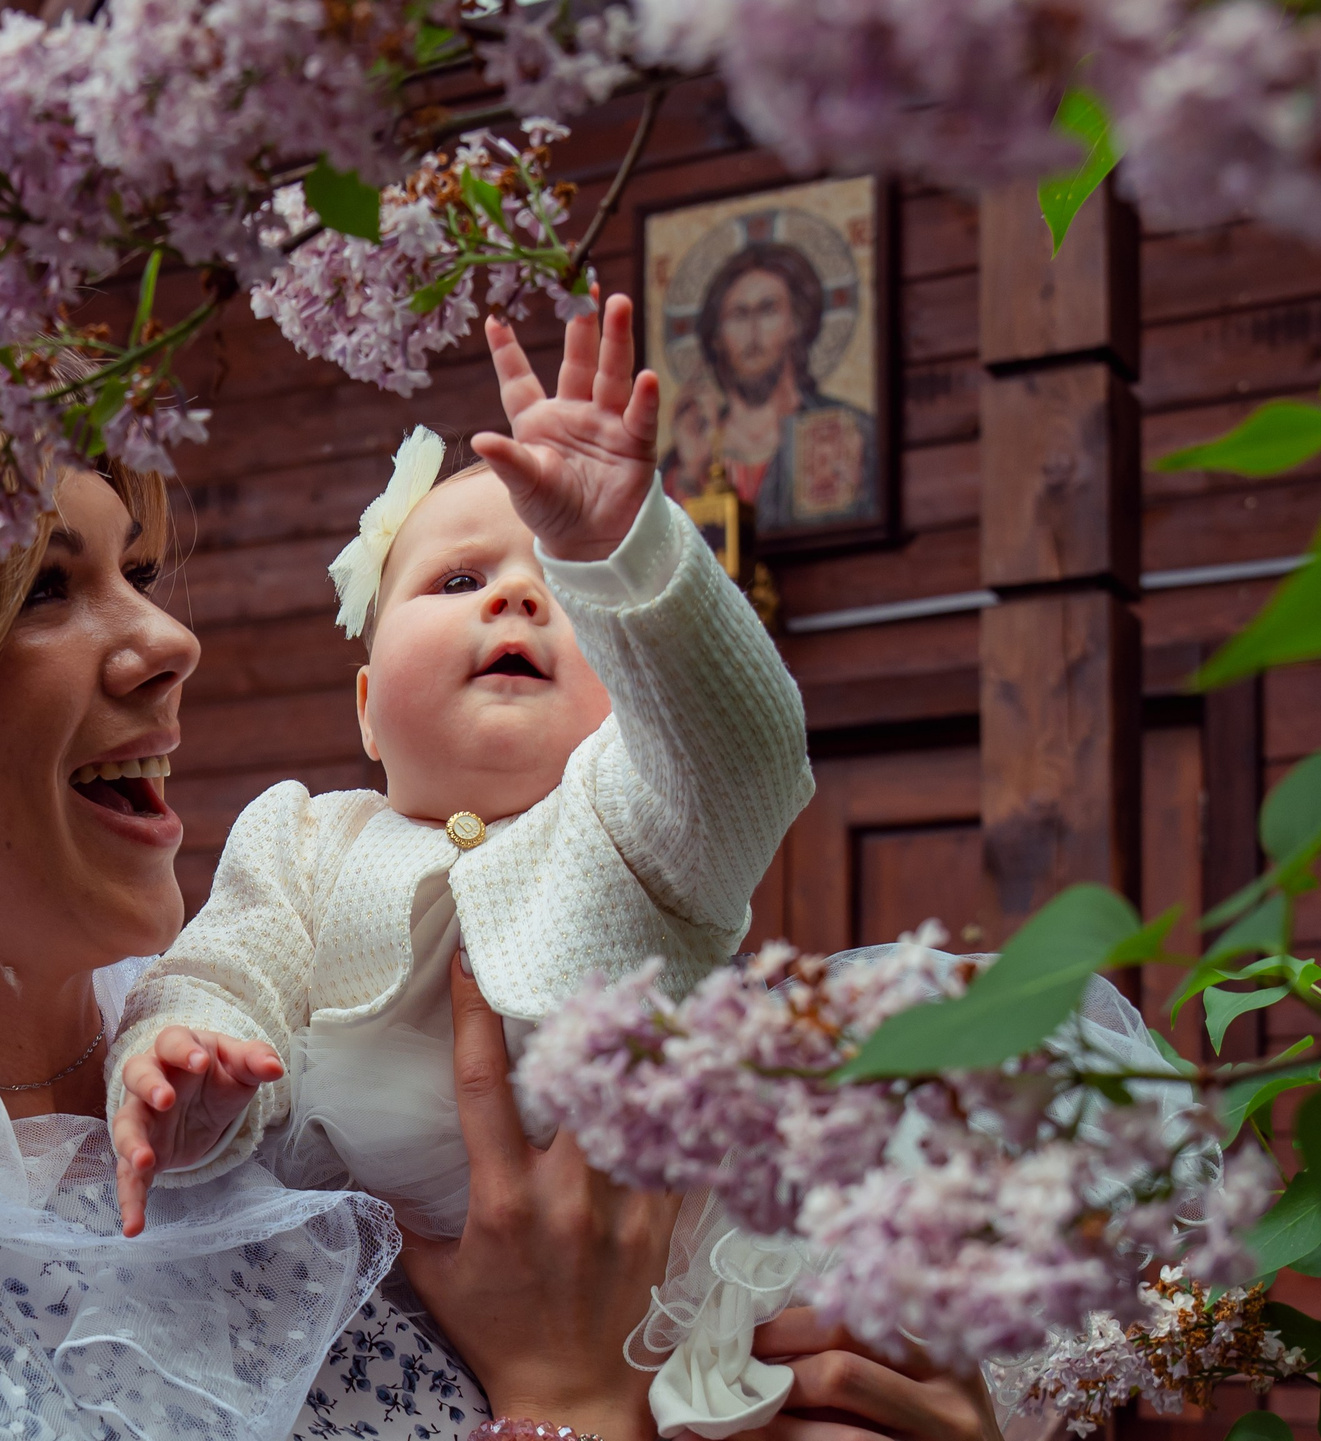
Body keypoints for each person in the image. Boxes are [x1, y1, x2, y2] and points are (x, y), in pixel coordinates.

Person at [0, 308, 1002, 1441]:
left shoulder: (285, 1165)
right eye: (43, 589)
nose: (169, 641)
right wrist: (565, 1402)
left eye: (135, 571)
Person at [104, 293, 818, 1438]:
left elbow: (748, 752)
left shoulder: (639, 819)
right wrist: (176, 1067)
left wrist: (625, 560)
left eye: (561, 587)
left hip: (672, 1320)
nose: (518, 592)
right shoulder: (301, 837)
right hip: (366, 1316)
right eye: (452, 580)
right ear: (370, 710)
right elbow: (223, 973)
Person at [661, 242, 876, 532]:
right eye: (738, 315)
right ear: (717, 337)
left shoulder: (848, 429)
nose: (753, 329)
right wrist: (690, 474)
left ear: (796, 323)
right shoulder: (684, 457)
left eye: (768, 310)